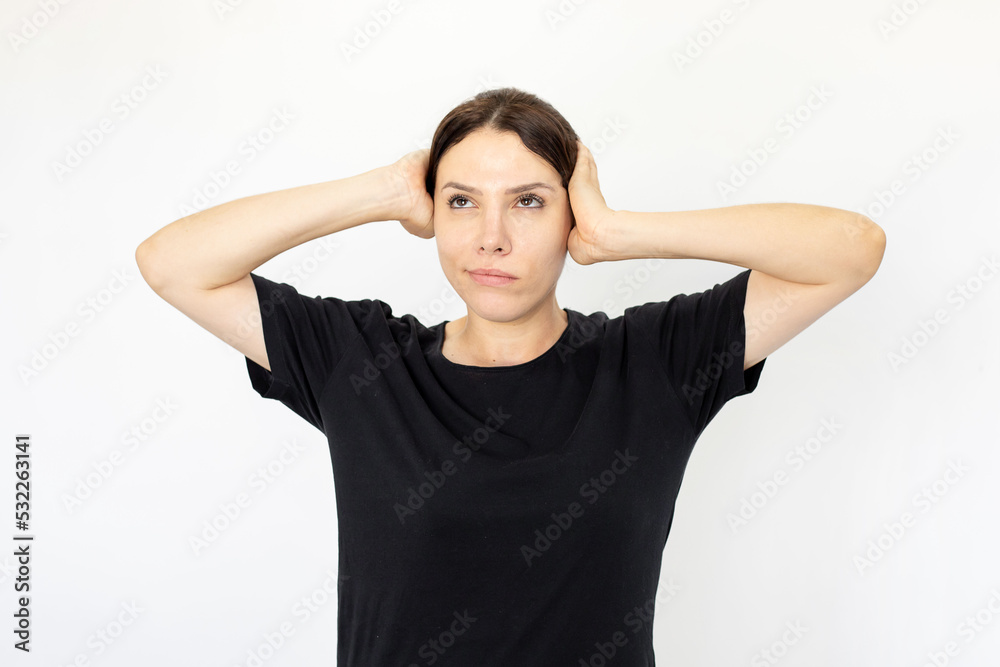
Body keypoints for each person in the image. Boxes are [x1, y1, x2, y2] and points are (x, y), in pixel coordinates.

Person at [136, 87, 886, 665]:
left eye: (528, 202)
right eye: (462, 201)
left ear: (571, 216)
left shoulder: (656, 360)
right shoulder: (360, 361)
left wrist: (621, 232)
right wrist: (385, 189)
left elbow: (851, 249)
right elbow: (172, 264)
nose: (490, 237)